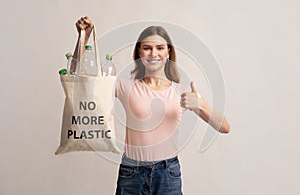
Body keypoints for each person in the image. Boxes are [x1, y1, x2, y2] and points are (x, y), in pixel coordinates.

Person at [73, 16, 230, 195]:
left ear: (168, 52)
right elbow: (81, 79)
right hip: (132, 174)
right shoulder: (125, 86)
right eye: (147, 48)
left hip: (167, 175)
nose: (153, 53)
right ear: (139, 52)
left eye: (160, 48)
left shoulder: (182, 91)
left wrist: (201, 104)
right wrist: (84, 37)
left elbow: (224, 127)